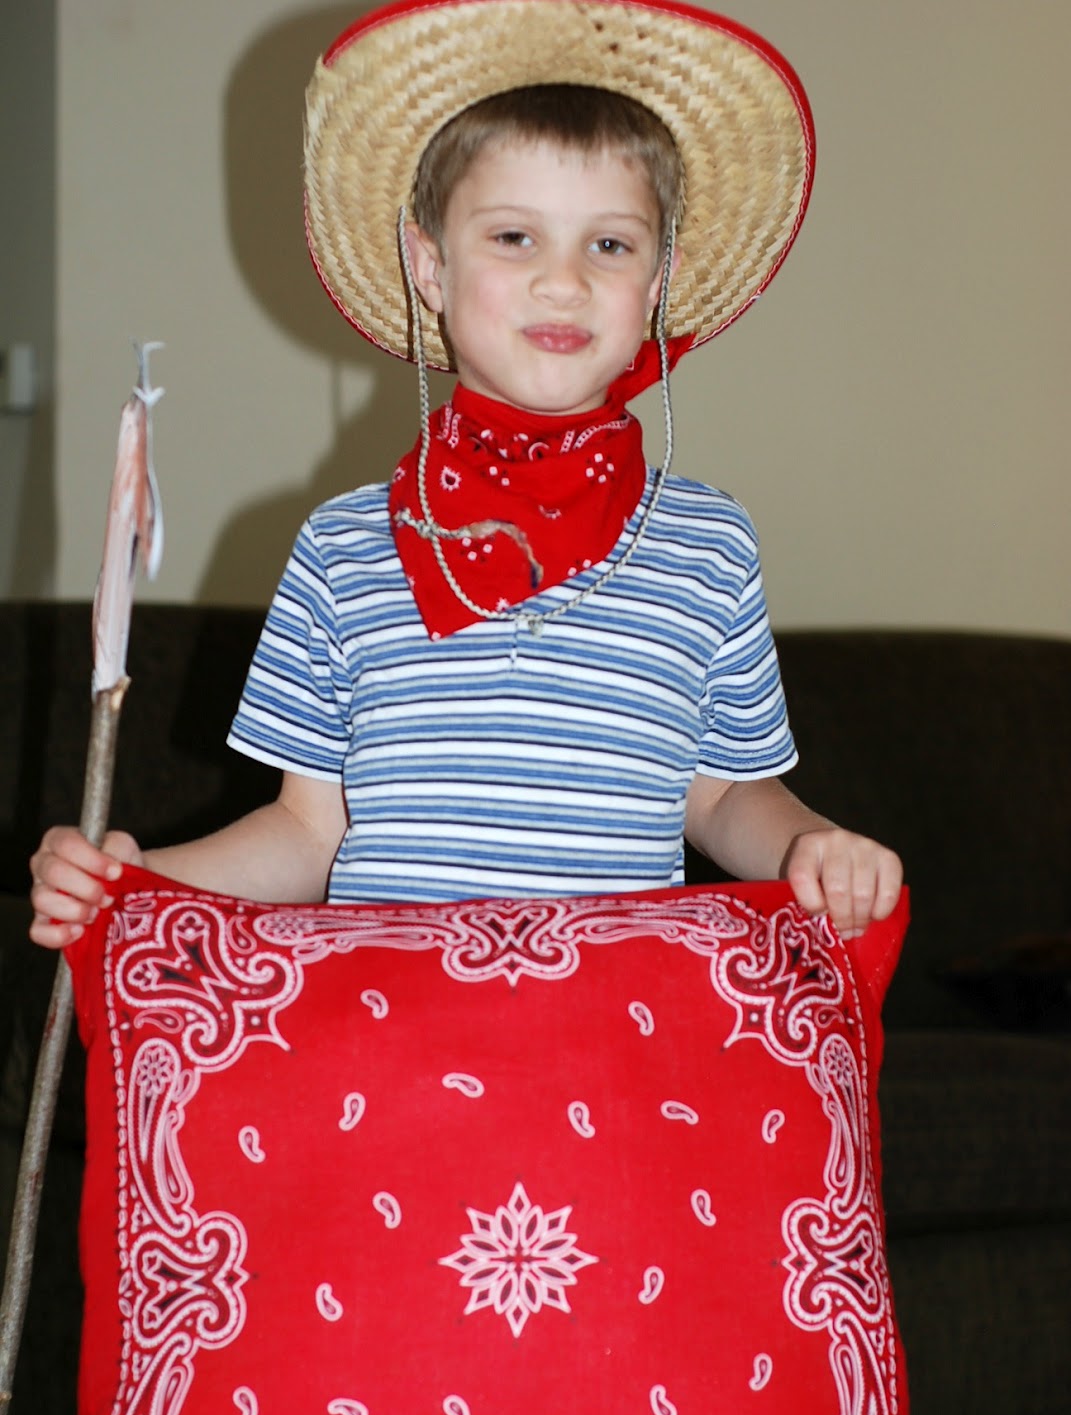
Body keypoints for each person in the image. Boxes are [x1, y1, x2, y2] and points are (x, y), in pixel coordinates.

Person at [29, 0, 901, 952]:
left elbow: (723, 794)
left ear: (657, 283)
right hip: (388, 1020)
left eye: (609, 244)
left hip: (616, 1025)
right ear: (428, 265)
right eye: (513, 237)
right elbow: (308, 832)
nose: (563, 281)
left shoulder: (709, 544)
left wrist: (812, 849)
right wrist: (140, 881)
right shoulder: (341, 549)